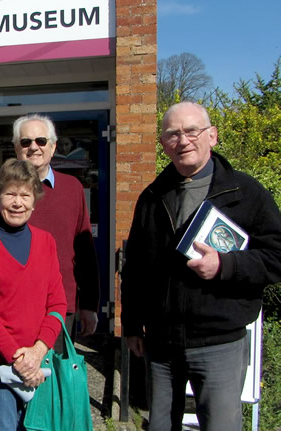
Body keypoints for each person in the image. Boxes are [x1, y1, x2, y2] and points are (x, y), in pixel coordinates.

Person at [121, 101, 281, 431]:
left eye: (192, 130)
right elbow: (135, 267)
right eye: (173, 134)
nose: (183, 140)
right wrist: (133, 325)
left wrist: (226, 265)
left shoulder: (245, 193)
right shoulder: (152, 196)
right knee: (161, 426)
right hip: (161, 345)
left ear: (213, 135)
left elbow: (276, 256)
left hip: (219, 341)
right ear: (164, 144)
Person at [0, 158, 67, 430]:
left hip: (39, 360)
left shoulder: (46, 242)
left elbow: (57, 303)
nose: (17, 202)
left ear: (35, 201)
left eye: (25, 195)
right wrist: (18, 357)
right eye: (10, 193)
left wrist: (38, 351)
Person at [0, 114, 99, 339]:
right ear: (16, 148)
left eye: (41, 141)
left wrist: (89, 305)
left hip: (59, 307)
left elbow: (85, 251)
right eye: (26, 142)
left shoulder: (73, 188)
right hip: (10, 309)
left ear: (53, 147)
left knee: (55, 374)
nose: (34, 147)